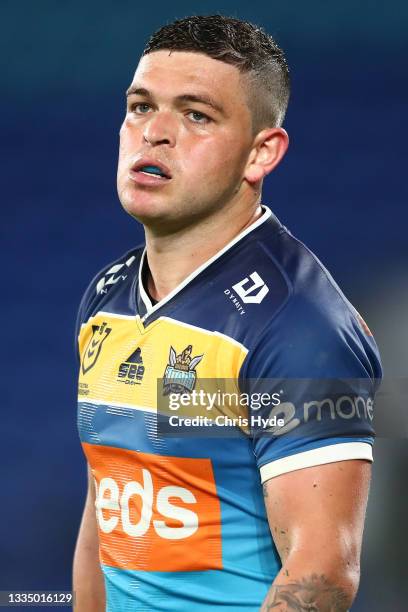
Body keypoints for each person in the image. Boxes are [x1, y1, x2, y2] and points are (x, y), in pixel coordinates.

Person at [72, 14, 382, 612]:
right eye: (140, 106)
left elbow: (321, 573)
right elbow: (103, 523)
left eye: (196, 114)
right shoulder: (106, 297)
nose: (154, 134)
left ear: (260, 153)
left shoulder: (299, 326)